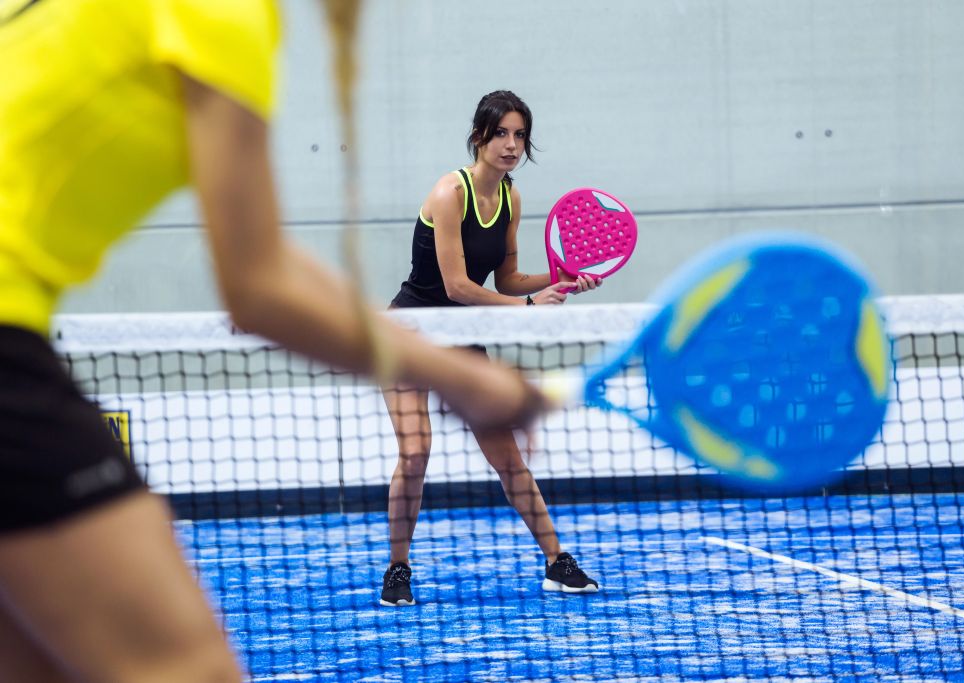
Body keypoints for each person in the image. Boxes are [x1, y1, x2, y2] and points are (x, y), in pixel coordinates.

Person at [0, 2, 547, 681]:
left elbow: (271, 262)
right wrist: (461, 378)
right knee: (191, 667)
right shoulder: (218, 15)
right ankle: (400, 563)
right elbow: (259, 287)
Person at [381, 90, 601, 607]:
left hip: (464, 340)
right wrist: (527, 308)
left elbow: (508, 277)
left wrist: (563, 277)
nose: (511, 144)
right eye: (500, 133)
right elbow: (457, 285)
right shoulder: (447, 193)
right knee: (415, 454)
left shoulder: (511, 198)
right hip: (410, 334)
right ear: (479, 136)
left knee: (508, 459)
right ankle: (397, 569)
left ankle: (556, 562)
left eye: (519, 135)